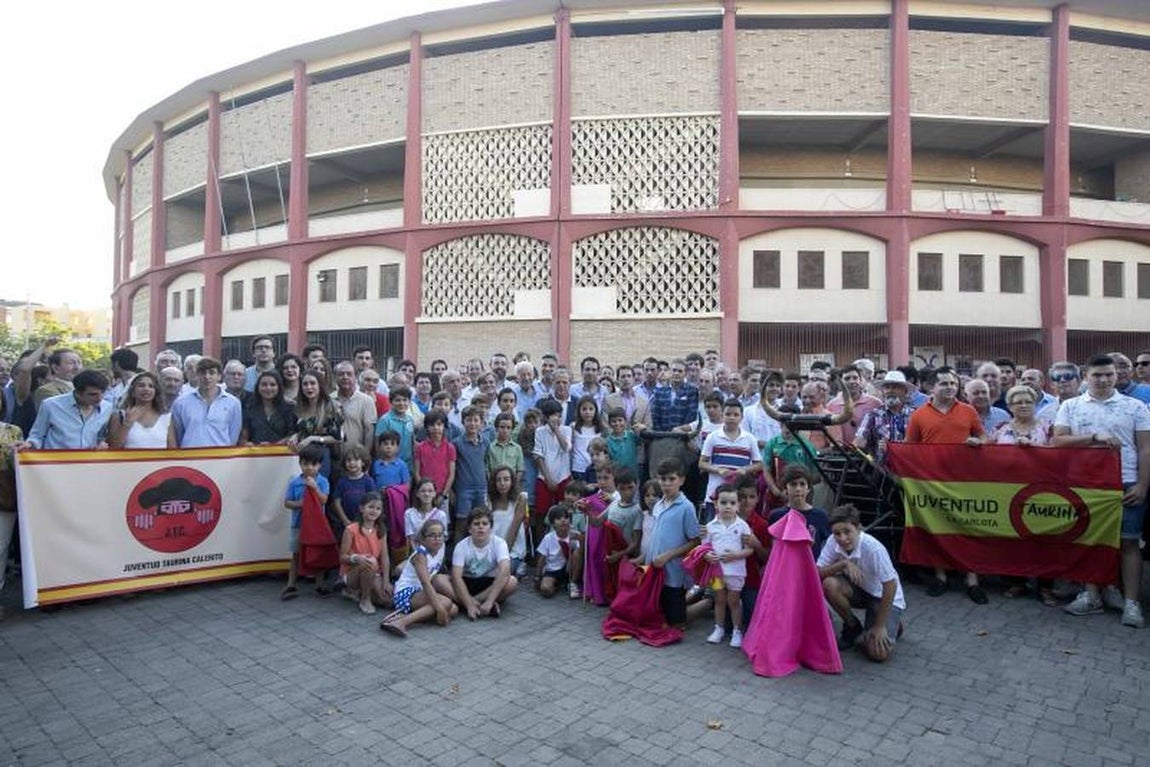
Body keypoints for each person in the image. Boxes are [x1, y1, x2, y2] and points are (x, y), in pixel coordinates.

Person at [1055, 354, 1150, 628]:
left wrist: (1143, 485)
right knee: (1090, 539)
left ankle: (1131, 602)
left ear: (1117, 375)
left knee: (1129, 543)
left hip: (1127, 482)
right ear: (1086, 375)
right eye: (1098, 375)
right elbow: (1058, 441)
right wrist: (1093, 438)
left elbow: (1145, 448)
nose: (1104, 379)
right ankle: (1092, 595)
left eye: (1109, 374)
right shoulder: (1071, 406)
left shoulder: (1136, 407)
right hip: (1086, 484)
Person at [906, 365, 987, 603]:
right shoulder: (919, 414)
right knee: (938, 528)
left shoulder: (969, 410)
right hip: (933, 482)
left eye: (953, 383)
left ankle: (972, 580)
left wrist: (978, 441)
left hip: (965, 480)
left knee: (967, 527)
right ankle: (940, 577)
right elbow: (910, 448)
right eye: (944, 383)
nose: (950, 387)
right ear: (932, 387)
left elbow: (984, 436)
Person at [818, 504, 906, 662]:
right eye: (837, 533)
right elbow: (816, 573)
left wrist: (879, 626)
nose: (842, 538)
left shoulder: (873, 548)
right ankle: (853, 626)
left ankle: (889, 623)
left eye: (847, 532)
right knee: (829, 584)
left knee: (878, 655)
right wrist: (842, 564)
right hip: (861, 590)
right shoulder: (833, 541)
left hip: (883, 596)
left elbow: (890, 585)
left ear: (858, 528)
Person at [638, 456, 700, 629]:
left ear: (681, 480)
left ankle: (705, 603)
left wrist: (668, 555)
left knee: (677, 623)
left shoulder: (686, 507)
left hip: (673, 571)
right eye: (663, 479)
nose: (666, 484)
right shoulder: (658, 504)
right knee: (660, 613)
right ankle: (690, 600)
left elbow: (695, 541)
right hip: (656, 570)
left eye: (671, 479)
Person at [380, 519, 458, 638]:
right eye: (432, 535)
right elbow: (426, 583)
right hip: (406, 592)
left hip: (420, 591)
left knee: (454, 609)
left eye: (440, 535)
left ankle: (404, 615)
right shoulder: (421, 555)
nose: (437, 539)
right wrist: (440, 609)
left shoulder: (440, 550)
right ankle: (400, 622)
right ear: (424, 538)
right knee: (445, 603)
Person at [702, 484, 754, 648]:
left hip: (736, 573)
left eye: (732, 503)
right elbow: (704, 548)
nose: (728, 506)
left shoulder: (743, 526)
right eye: (723, 502)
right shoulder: (711, 526)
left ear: (738, 505)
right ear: (716, 504)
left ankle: (737, 631)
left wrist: (734, 556)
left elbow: (749, 550)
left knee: (734, 601)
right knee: (719, 599)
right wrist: (707, 555)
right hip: (717, 573)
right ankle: (719, 628)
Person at [698, 399, 762, 522]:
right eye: (728, 414)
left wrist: (745, 469)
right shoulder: (713, 437)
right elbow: (702, 463)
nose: (731, 418)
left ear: (742, 417)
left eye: (735, 415)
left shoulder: (749, 439)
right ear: (722, 415)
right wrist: (718, 469)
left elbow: (759, 464)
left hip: (739, 497)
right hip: (715, 493)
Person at [281, 445, 330, 600]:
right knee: (295, 555)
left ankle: (320, 585)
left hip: (316, 526)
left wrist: (314, 488)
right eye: (305, 464)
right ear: (300, 463)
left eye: (313, 464)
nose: (309, 468)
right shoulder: (295, 482)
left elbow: (324, 500)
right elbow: (287, 503)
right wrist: (301, 504)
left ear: (320, 465)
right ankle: (291, 585)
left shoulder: (322, 481)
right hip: (298, 525)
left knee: (317, 554)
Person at [451, 507, 518, 619]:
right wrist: (468, 605)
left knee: (512, 581)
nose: (480, 527)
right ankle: (471, 605)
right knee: (439, 580)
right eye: (476, 524)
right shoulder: (461, 546)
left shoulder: (499, 543)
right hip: (467, 582)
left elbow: (505, 570)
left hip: (489, 583)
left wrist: (490, 600)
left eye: (485, 523)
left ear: (491, 527)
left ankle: (477, 602)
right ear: (469, 528)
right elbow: (456, 577)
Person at [22, 369, 113, 450]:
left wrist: (101, 443)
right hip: (56, 463)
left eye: (103, 393)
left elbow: (101, 436)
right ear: (77, 393)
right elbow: (38, 435)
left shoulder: (107, 407)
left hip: (88, 463)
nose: (100, 398)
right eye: (93, 394)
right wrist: (29, 444)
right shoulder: (51, 405)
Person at [339, 491, 392, 615]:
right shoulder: (351, 529)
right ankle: (364, 599)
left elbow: (384, 557)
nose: (374, 511)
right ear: (362, 508)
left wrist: (386, 581)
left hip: (374, 571)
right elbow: (342, 557)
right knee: (369, 563)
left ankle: (356, 593)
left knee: (385, 599)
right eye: (370, 507)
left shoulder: (381, 530)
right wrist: (356, 558)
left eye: (378, 508)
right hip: (352, 572)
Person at [768, 465, 831, 558]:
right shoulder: (776, 516)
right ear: (785, 488)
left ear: (808, 488)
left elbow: (828, 549)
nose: (798, 489)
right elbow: (774, 550)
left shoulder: (821, 516)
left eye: (802, 484)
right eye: (793, 484)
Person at [290, 371, 343, 479]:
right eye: (305, 384)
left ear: (320, 385)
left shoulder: (333, 406)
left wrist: (313, 439)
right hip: (302, 456)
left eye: (313, 383)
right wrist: (295, 436)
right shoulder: (298, 407)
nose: (309, 387)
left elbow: (339, 437)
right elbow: (298, 430)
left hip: (324, 456)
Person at [452, 406, 490, 541]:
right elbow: (453, 468)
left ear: (481, 423)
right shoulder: (456, 443)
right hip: (464, 489)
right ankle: (457, 557)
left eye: (476, 420)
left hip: (481, 488)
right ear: (463, 422)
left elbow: (486, 464)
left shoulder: (485, 441)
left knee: (480, 522)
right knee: (462, 523)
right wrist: (452, 490)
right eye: (469, 420)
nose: (472, 423)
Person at [106, 371, 171, 449]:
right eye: (141, 385)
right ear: (132, 392)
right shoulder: (119, 416)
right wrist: (128, 423)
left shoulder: (167, 417)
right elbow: (113, 447)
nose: (146, 389)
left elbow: (173, 450)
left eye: (151, 386)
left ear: (156, 392)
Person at [532, 399, 572, 518]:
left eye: (559, 416)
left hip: (564, 476)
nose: (557, 419)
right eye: (554, 416)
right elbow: (538, 456)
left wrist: (556, 429)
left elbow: (566, 447)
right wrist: (548, 479)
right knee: (542, 513)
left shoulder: (566, 430)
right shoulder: (540, 431)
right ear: (546, 417)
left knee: (565, 511)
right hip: (544, 477)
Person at [413, 411, 456, 517]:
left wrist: (444, 494)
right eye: (432, 425)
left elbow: (451, 474)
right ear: (426, 427)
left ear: (444, 426)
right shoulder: (421, 447)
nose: (436, 428)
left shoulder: (450, 448)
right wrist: (424, 490)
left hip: (442, 494)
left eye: (439, 424)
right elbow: (417, 472)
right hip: (425, 494)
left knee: (442, 522)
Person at [488, 466, 529, 577]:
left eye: (506, 479)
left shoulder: (520, 499)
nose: (502, 483)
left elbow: (514, 530)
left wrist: (503, 555)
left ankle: (519, 565)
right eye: (498, 480)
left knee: (496, 574)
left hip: (511, 551)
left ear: (512, 481)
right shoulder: (488, 500)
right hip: (491, 549)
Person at [535, 505, 580, 599]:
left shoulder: (575, 535)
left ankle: (573, 583)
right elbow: (542, 559)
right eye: (559, 518)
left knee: (577, 553)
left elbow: (581, 554)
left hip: (569, 568)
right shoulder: (548, 537)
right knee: (545, 590)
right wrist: (538, 576)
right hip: (552, 570)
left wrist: (582, 541)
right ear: (553, 523)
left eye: (566, 518)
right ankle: (557, 585)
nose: (563, 520)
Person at [240, 371, 297, 445]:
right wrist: (248, 444)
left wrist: (273, 446)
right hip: (255, 453)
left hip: (282, 453)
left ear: (279, 387)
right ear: (258, 387)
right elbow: (243, 438)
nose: (268, 388)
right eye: (264, 385)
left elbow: (293, 435)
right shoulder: (249, 408)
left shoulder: (289, 408)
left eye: (272, 385)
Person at [333, 361, 377, 455]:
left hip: (356, 459)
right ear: (335, 378)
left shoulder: (366, 401)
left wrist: (365, 457)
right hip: (333, 458)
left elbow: (369, 432)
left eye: (349, 374)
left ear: (355, 378)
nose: (345, 377)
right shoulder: (329, 400)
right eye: (341, 374)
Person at [332, 446, 377, 530]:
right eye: (348, 460)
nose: (352, 463)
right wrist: (345, 520)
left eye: (356, 460)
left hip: (365, 522)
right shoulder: (342, 482)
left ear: (363, 462)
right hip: (346, 523)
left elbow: (373, 501)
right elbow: (337, 502)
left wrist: (367, 519)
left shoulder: (368, 481)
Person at [375, 385, 418, 471]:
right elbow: (377, 445)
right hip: (390, 465)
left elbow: (412, 442)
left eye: (405, 400)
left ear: (409, 402)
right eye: (398, 400)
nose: (402, 403)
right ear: (391, 402)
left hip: (407, 465)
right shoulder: (385, 420)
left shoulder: (410, 419)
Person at [405, 478, 449, 552]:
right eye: (423, 491)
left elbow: (442, 539)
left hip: (436, 553)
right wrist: (418, 554)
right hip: (417, 553)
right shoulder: (409, 513)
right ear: (417, 494)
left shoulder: (441, 515)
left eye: (430, 491)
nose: (426, 494)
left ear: (434, 494)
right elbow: (411, 539)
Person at [486, 412, 524, 483]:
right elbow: (487, 469)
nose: (505, 430)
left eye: (508, 428)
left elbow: (520, 469)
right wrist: (492, 483)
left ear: (512, 429)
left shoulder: (517, 448)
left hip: (511, 483)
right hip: (495, 483)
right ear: (496, 428)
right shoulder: (490, 447)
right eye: (502, 427)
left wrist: (514, 484)